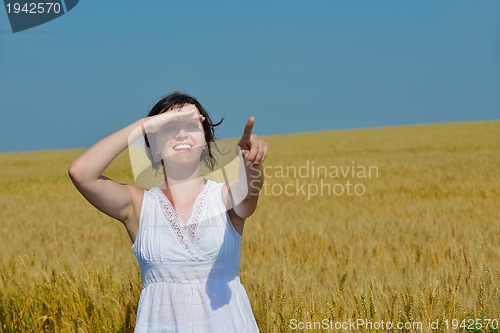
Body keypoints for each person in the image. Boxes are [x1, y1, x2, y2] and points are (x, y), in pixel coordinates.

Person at [68, 92, 269, 332]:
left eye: (191, 125)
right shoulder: (139, 206)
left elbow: (249, 193)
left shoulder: (224, 197)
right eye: (169, 126)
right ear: (153, 144)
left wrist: (252, 165)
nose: (181, 133)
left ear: (205, 140)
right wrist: (148, 124)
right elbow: (81, 172)